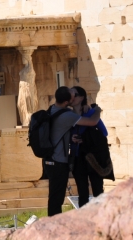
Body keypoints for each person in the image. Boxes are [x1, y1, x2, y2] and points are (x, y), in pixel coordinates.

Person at [45, 86, 102, 216]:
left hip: (50, 160)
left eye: (76, 94)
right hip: (58, 161)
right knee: (57, 197)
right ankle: (53, 227)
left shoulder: (53, 109)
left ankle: (53, 225)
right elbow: (93, 121)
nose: (74, 97)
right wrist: (98, 109)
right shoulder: (67, 115)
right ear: (67, 102)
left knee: (55, 196)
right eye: (72, 96)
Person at [70, 86, 114, 207]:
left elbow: (104, 132)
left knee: (97, 189)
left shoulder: (90, 112)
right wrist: (71, 137)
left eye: (74, 94)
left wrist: (87, 137)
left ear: (81, 97)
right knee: (82, 191)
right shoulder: (67, 114)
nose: (71, 97)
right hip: (77, 157)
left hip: (93, 157)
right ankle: (84, 221)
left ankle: (100, 218)